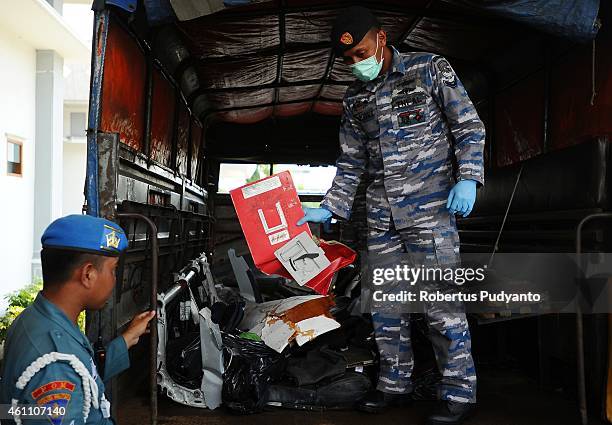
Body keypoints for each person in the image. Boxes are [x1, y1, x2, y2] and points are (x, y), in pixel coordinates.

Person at [297, 6, 484, 424]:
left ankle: (459, 391)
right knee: (385, 306)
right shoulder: (354, 98)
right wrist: (333, 204)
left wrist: (468, 177)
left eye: (361, 51)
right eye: (347, 59)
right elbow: (352, 162)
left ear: (382, 38)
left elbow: (469, 127)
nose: (356, 63)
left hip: (431, 211)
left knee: (440, 306)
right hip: (380, 218)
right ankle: (394, 386)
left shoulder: (430, 69)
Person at [0, 214, 156, 424]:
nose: (115, 279)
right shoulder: (55, 364)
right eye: (113, 270)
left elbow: (83, 375)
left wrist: (127, 338)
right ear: (88, 275)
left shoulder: (33, 320)